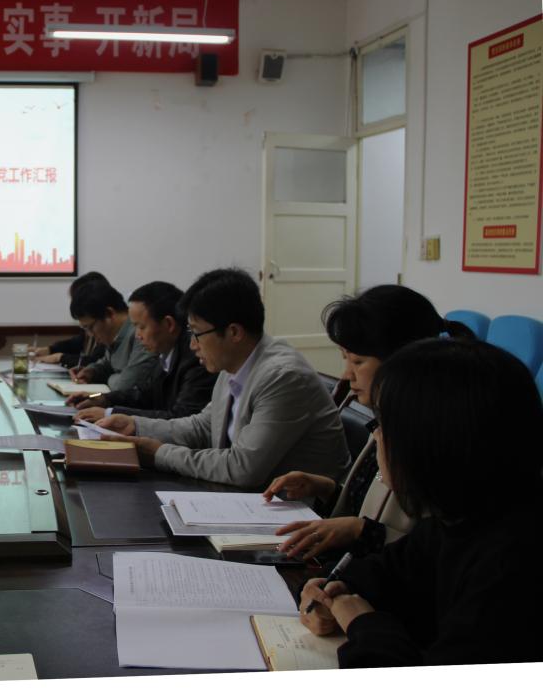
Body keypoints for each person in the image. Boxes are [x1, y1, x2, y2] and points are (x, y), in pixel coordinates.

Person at [299, 338, 543, 667]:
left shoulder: (513, 564)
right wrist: (330, 590)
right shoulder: (459, 517)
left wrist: (361, 622)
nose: (377, 437)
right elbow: (382, 573)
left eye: (383, 426)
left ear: (430, 442)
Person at [263, 285, 474, 559]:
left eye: (358, 362)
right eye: (346, 360)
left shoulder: (436, 438)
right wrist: (328, 490)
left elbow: (437, 549)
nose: (346, 374)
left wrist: (361, 532)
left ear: (403, 361)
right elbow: (374, 509)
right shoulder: (386, 420)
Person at [97, 268, 349, 490]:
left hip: (300, 514)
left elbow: (243, 468)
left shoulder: (283, 377)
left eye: (197, 333)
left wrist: (159, 454)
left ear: (234, 332)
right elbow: (204, 427)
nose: (192, 345)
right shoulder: (233, 364)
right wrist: (136, 426)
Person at [69, 281, 216, 420]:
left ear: (169, 324)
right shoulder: (165, 352)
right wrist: (100, 398)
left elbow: (181, 417)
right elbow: (142, 394)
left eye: (141, 327)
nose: (138, 336)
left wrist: (109, 413)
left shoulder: (196, 359)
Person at [66, 280, 159, 393]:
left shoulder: (141, 335)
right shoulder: (115, 335)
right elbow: (108, 363)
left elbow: (126, 386)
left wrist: (108, 378)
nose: (90, 334)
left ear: (109, 314)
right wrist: (91, 371)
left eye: (90, 327)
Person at [30, 271, 108, 369]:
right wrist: (49, 349)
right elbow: (77, 342)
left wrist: (60, 357)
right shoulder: (91, 324)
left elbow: (94, 362)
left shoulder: (104, 328)